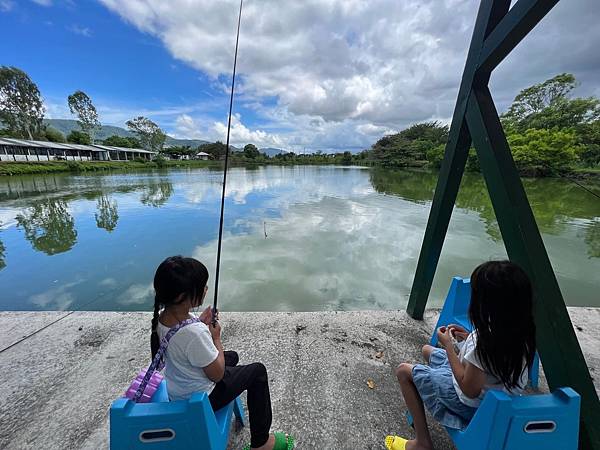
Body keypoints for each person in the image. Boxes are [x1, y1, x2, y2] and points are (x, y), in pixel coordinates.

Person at [385, 260, 537, 450]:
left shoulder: (485, 342)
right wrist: (465, 339)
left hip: (472, 405)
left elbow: (468, 388)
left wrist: (448, 345)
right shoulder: (523, 333)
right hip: (497, 400)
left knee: (403, 371)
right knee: (426, 350)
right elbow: (490, 365)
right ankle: (423, 395)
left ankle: (422, 443)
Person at [151, 256, 294, 450]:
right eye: (201, 286)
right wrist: (216, 337)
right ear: (180, 296)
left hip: (178, 391)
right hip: (204, 398)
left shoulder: (162, 319)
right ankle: (261, 442)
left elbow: (183, 343)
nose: (205, 289)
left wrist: (200, 322)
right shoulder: (194, 333)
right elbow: (217, 375)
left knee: (232, 356)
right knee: (257, 372)